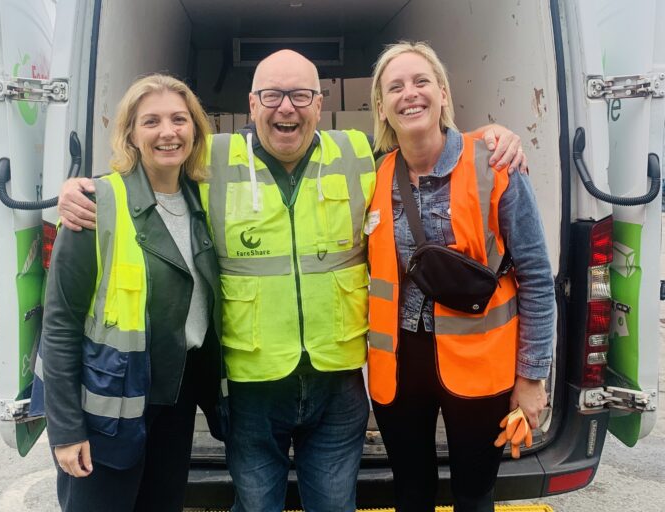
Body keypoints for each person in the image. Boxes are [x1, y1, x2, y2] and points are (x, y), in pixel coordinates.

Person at [57, 50, 526, 512]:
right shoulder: (211, 162)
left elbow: (425, 140)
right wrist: (81, 187)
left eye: (301, 95)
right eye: (273, 95)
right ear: (252, 103)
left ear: (320, 105)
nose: (287, 107)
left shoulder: (359, 154)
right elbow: (153, 175)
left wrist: (489, 138)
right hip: (252, 387)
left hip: (337, 384)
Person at [366, 41, 555, 512]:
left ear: (444, 94)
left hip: (482, 363)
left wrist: (532, 377)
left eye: (421, 81)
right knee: (411, 490)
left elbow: (535, 276)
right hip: (399, 361)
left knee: (474, 493)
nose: (410, 94)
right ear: (383, 107)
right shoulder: (372, 177)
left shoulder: (495, 165)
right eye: (396, 87)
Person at [39, 74, 223, 512]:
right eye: (151, 121)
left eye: (180, 119)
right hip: (108, 409)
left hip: (175, 403)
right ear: (131, 134)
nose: (168, 132)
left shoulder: (208, 201)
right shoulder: (96, 203)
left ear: (195, 130)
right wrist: (65, 429)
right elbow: (61, 320)